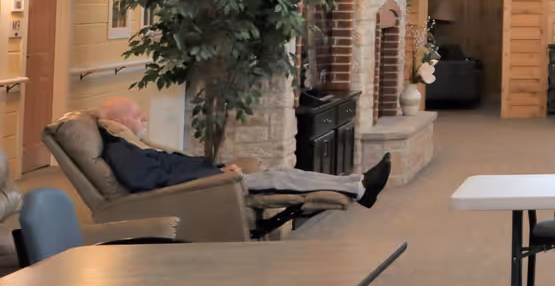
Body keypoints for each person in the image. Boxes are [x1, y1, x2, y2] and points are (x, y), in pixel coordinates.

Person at [95, 96, 391, 209]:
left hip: (212, 181)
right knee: (281, 179)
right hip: (210, 188)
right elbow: (154, 183)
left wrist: (217, 169)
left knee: (283, 174)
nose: (144, 116)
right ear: (119, 122)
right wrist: (217, 176)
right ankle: (359, 189)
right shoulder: (122, 151)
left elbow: (171, 171)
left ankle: (356, 184)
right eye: (136, 115)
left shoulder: (134, 146)